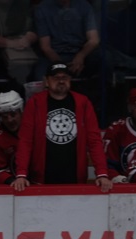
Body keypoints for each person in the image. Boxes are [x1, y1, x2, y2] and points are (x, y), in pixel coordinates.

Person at [12, 63, 112, 191]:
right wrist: (21, 174)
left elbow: (94, 141)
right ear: (46, 81)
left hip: (75, 179)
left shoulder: (82, 102)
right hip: (41, 180)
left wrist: (102, 173)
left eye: (64, 77)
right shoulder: (35, 103)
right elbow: (26, 141)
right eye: (56, 78)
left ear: (70, 80)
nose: (61, 81)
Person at [34, 0, 100, 84]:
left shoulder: (84, 6)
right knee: (39, 77)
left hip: (81, 52)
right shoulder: (42, 9)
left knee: (104, 59)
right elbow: (46, 47)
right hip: (54, 55)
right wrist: (60, 66)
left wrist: (80, 56)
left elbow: (94, 40)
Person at [103, 86, 136, 179]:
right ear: (130, 107)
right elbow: (107, 164)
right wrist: (116, 178)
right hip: (123, 185)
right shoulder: (116, 130)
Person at [0, 90, 24, 184]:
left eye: (13, 115)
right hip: (8, 188)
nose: (9, 120)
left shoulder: (33, 131)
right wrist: (12, 182)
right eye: (5, 117)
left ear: (21, 111)